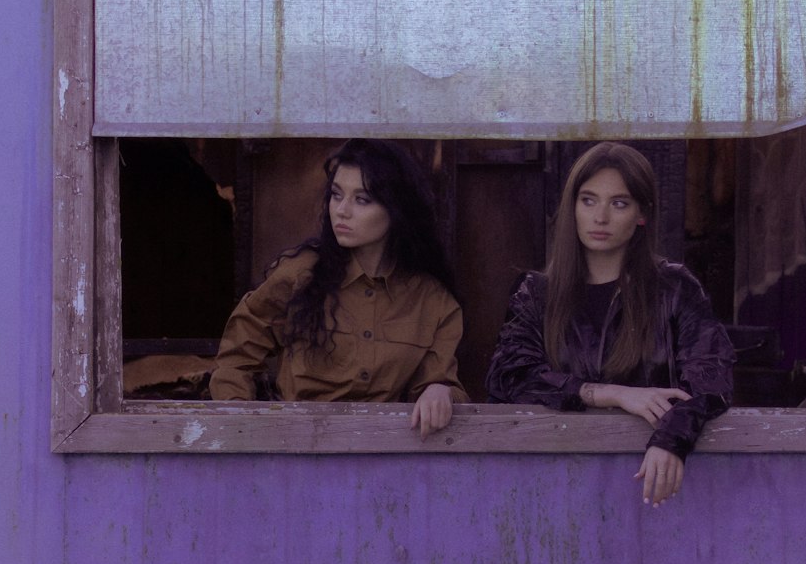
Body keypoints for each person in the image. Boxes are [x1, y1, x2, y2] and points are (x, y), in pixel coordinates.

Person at [486, 142, 735, 504]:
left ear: (641, 214)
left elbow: (711, 380)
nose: (600, 217)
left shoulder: (675, 288)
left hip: (651, 485)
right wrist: (615, 394)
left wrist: (671, 440)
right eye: (588, 200)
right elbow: (509, 377)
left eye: (618, 203)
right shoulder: (536, 293)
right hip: (554, 483)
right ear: (572, 208)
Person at [210, 139, 468, 438]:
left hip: (383, 457)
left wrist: (441, 391)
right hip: (292, 449)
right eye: (336, 195)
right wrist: (242, 425)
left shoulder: (434, 301)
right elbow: (236, 356)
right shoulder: (300, 274)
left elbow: (440, 384)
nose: (341, 211)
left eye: (362, 199)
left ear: (397, 209)